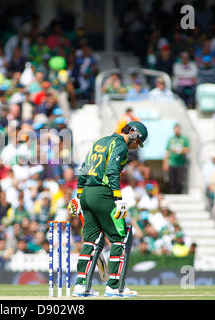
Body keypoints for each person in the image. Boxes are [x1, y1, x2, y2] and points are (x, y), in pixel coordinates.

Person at [68, 121, 148, 297]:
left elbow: (83, 169)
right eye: (137, 141)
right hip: (103, 195)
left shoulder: (100, 142)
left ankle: (81, 285)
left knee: (92, 240)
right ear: (133, 134)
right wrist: (118, 199)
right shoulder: (120, 145)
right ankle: (114, 286)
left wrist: (79, 195)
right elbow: (112, 171)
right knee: (120, 237)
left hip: (87, 193)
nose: (136, 146)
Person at [163, 124, 190, 194]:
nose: (176, 130)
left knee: (179, 181)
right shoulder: (171, 139)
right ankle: (173, 193)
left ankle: (179, 194)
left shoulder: (184, 139)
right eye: (175, 129)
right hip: (172, 162)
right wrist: (165, 162)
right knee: (172, 180)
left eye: (178, 129)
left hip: (180, 163)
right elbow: (167, 151)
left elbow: (187, 149)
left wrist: (180, 150)